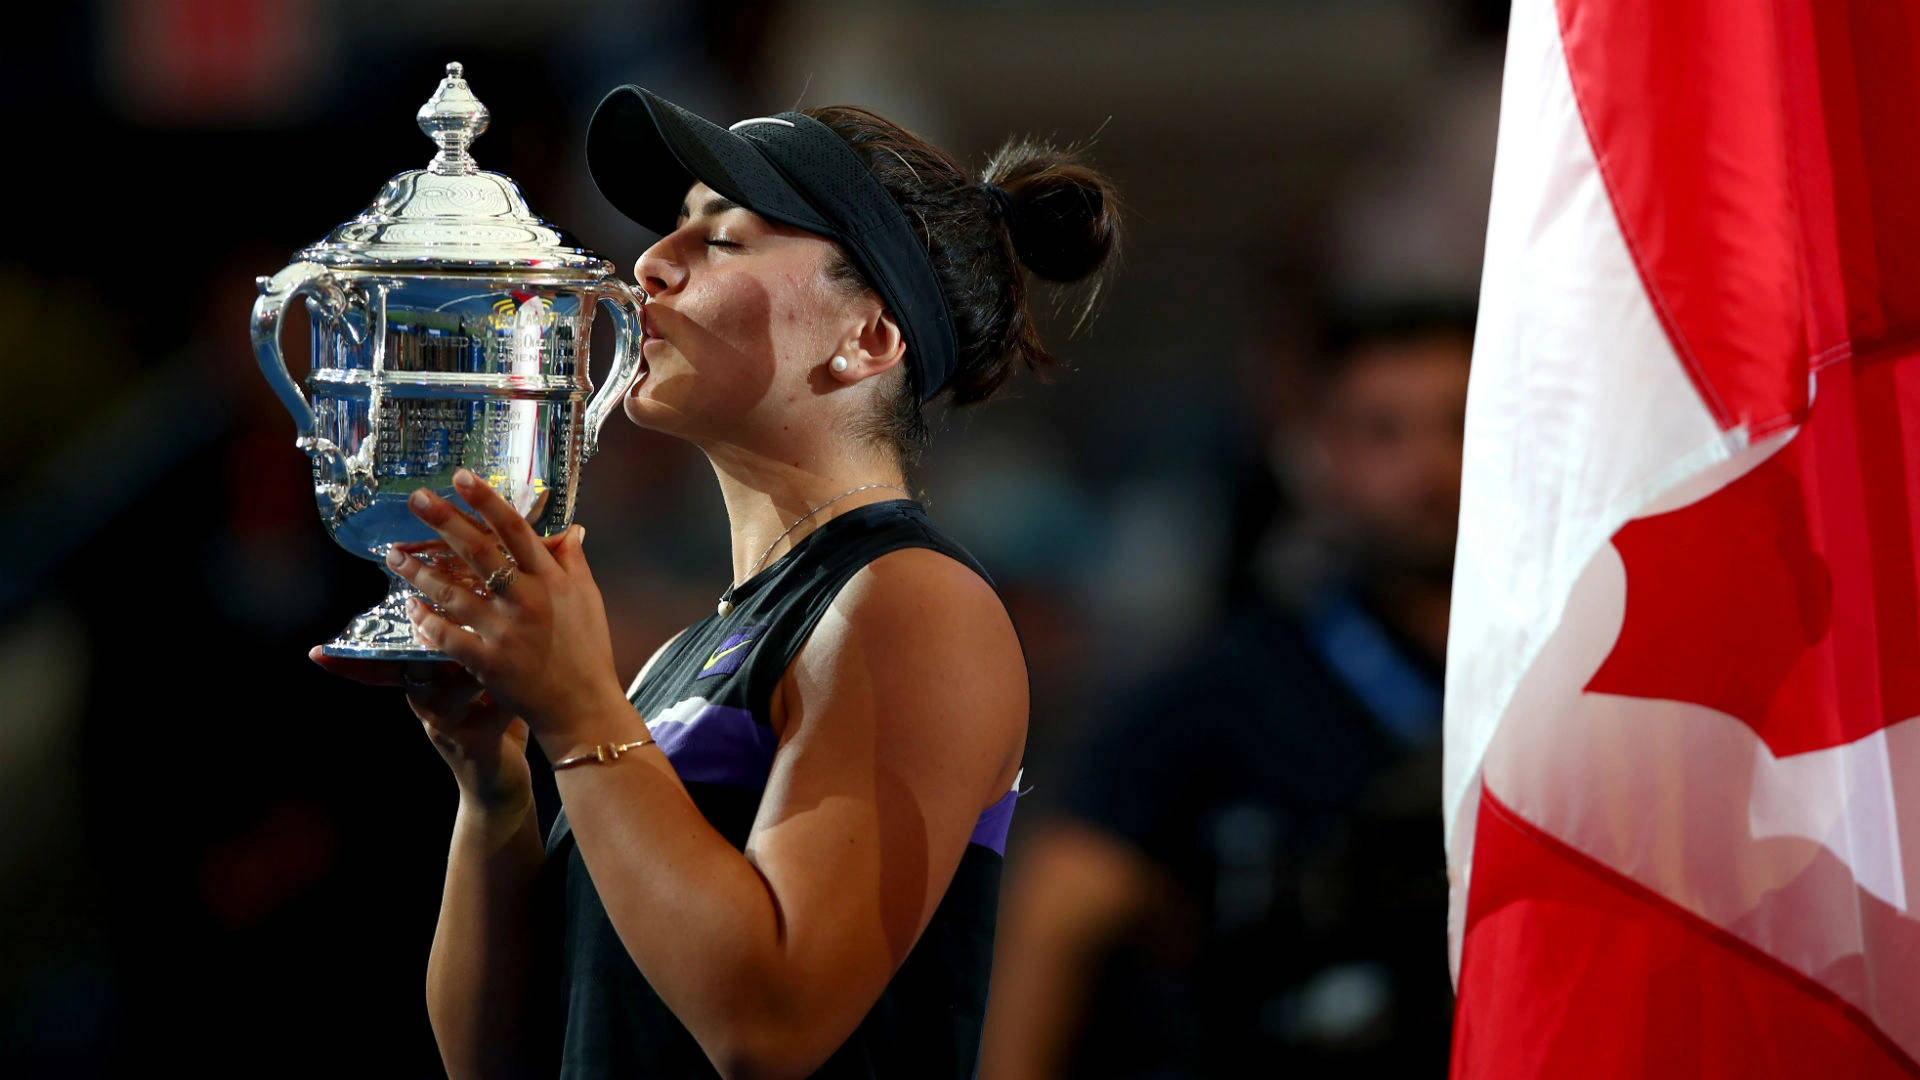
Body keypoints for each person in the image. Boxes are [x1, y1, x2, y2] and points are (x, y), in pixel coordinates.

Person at [312, 87, 1121, 1078]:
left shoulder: (916, 602)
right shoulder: (671, 666)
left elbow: (768, 1025)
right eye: (675, 228)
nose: (651, 262)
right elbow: (501, 1055)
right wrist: (498, 786)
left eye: (725, 238)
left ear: (867, 337)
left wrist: (578, 717)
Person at [981, 300, 1472, 1080]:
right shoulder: (1229, 687)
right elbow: (1058, 908)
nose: (1431, 469)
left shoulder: (1580, 669)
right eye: (1383, 432)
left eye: (1462, 423)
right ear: (1322, 458)